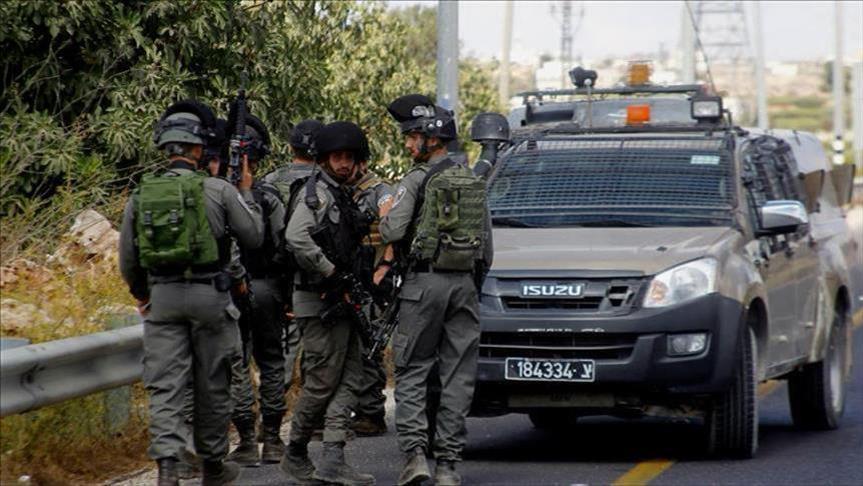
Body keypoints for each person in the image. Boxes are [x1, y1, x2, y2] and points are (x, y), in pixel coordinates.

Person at [119, 100, 264, 486]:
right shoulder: (218, 190)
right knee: (212, 382)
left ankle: (168, 467)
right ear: (199, 148)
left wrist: (143, 294)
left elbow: (128, 258)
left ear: (166, 146)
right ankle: (213, 465)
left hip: (163, 299)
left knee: (166, 385)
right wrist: (246, 192)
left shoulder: (141, 194)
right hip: (210, 297)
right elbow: (254, 237)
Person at [380, 94, 494, 486]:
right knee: (457, 375)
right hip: (464, 285)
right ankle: (448, 464)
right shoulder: (473, 181)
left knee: (412, 369)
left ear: (431, 140)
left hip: (423, 284)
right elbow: (487, 249)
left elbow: (393, 230)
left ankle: (415, 456)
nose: (408, 144)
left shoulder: (415, 179)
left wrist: (384, 216)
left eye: (412, 137)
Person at [279, 121, 376, 486]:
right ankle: (295, 451)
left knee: (351, 377)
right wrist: (330, 272)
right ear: (323, 159)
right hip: (317, 301)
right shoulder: (316, 193)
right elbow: (296, 237)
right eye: (337, 157)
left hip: (341, 299)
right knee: (321, 381)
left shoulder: (340, 193)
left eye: (350, 157)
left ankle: (334, 457)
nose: (344, 163)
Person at [224, 113, 290, 467]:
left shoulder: (218, 195)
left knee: (237, 364)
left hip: (232, 290)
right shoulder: (269, 197)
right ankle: (273, 440)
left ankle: (248, 440)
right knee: (271, 361)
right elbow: (283, 244)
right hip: (266, 286)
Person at [264, 119, 324, 389]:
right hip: (314, 272)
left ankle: (275, 402)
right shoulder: (326, 183)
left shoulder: (270, 180)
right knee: (317, 345)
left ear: (291, 147)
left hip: (275, 272)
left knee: (279, 347)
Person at [349, 159, 395, 437]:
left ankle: (371, 412)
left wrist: (385, 266)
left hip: (373, 280)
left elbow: (391, 230)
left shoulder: (380, 190)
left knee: (369, 346)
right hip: (351, 278)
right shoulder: (342, 190)